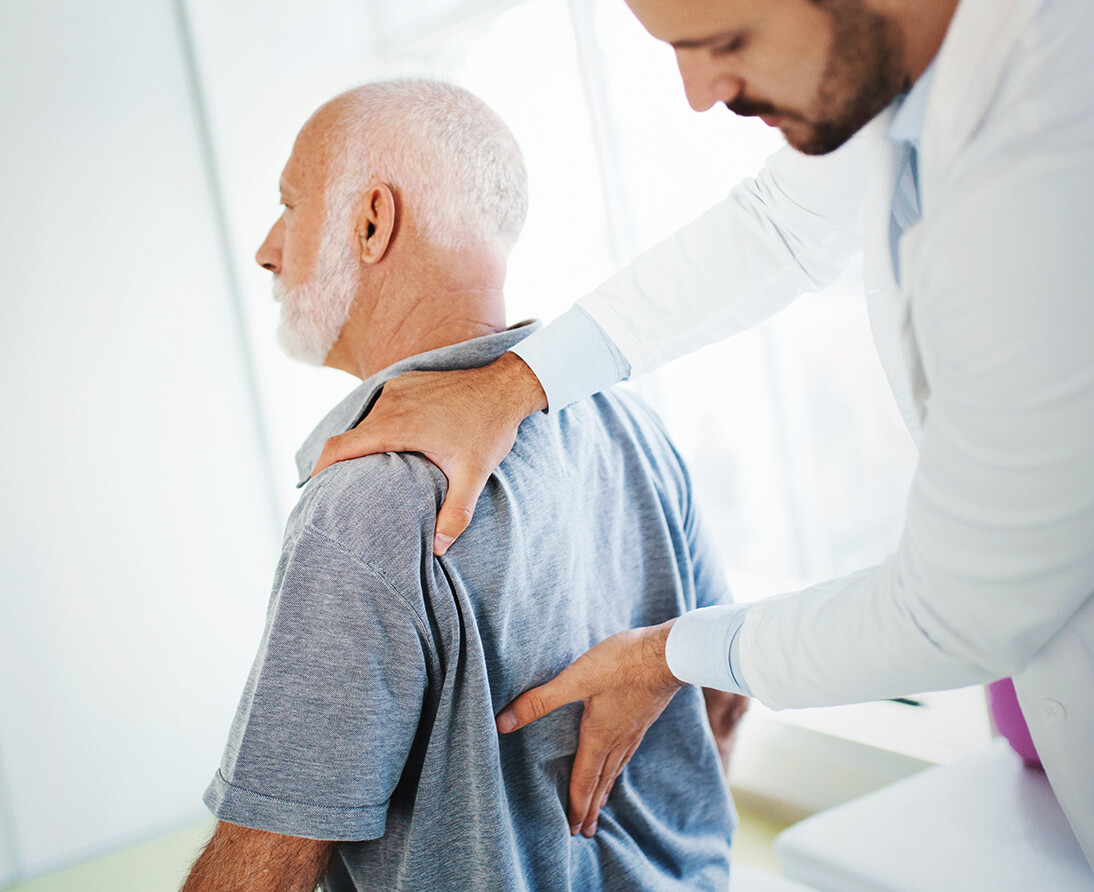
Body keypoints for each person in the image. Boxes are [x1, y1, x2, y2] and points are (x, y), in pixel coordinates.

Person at [308, 0, 1094, 869]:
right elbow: (783, 224)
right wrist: (518, 380)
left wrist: (672, 655)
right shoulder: (912, 87)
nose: (698, 93)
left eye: (725, 42)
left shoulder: (1044, 157)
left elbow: (957, 611)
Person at [183, 78, 747, 892]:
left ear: (371, 222)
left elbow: (260, 875)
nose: (269, 247)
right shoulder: (631, 427)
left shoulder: (368, 503)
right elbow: (724, 700)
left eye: (291, 206)